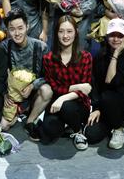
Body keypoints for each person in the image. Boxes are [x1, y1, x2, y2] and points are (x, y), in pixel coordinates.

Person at [85, 18, 124, 149]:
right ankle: (111, 122)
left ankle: (119, 128)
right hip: (105, 104)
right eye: (112, 35)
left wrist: (116, 54)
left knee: (108, 96)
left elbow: (111, 81)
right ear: (107, 36)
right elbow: (95, 83)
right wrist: (96, 108)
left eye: (120, 36)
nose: (116, 39)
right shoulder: (101, 55)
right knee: (91, 135)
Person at [39, 15, 93, 150]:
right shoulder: (48, 59)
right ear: (56, 33)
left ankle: (78, 131)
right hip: (57, 104)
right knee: (48, 133)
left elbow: (86, 91)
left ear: (76, 33)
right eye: (61, 31)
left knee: (67, 107)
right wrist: (77, 86)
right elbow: (55, 87)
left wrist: (63, 98)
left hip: (78, 104)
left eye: (69, 31)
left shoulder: (85, 57)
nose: (65, 36)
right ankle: (66, 124)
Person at [1, 8, 52, 139]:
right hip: (13, 94)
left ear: (27, 27)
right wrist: (4, 94)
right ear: (7, 30)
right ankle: (18, 112)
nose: (17, 33)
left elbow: (49, 75)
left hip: (33, 93)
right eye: (12, 29)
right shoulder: (4, 47)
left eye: (20, 28)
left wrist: (32, 86)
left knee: (47, 90)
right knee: (4, 126)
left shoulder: (40, 47)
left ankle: (30, 121)